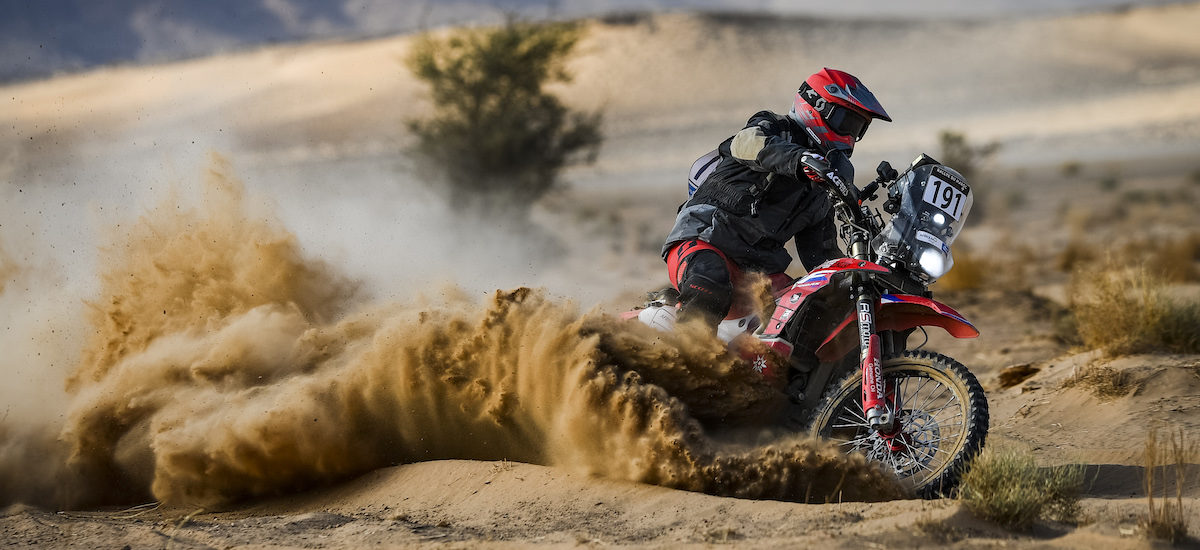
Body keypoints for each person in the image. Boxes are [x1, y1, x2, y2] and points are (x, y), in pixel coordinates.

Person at [661, 68, 892, 330]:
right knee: (711, 282)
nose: (851, 135)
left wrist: (859, 277)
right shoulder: (774, 128)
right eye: (847, 121)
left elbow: (821, 257)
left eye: (859, 128)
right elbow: (744, 143)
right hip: (706, 239)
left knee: (812, 311)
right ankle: (683, 358)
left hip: (757, 272)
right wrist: (800, 159)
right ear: (816, 106)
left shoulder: (823, 182)